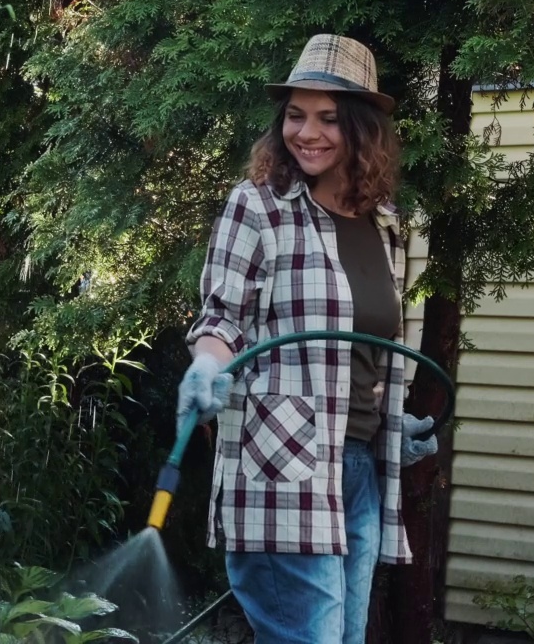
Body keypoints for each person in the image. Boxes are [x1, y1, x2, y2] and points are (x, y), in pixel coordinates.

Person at [177, 34, 439, 644]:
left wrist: (395, 425)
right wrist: (205, 367)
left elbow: (374, 351)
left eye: (328, 118)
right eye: (296, 115)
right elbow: (221, 318)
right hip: (281, 470)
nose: (307, 132)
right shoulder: (259, 207)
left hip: (360, 471)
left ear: (362, 129)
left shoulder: (388, 227)